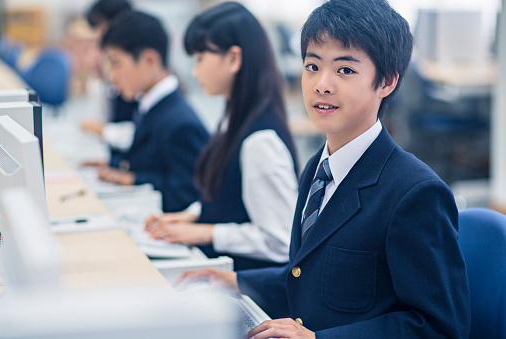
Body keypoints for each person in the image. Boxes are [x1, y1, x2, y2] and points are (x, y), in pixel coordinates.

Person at [174, 0, 471, 338]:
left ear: (387, 81)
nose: (321, 84)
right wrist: (234, 280)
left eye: (345, 70)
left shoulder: (415, 193)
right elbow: (319, 277)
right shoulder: (318, 168)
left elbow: (440, 328)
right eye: (312, 66)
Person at [145, 2, 299, 271]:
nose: (195, 71)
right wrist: (189, 217)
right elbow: (229, 197)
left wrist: (207, 232)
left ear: (233, 59)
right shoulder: (235, 119)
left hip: (249, 290)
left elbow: (280, 239)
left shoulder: (259, 141)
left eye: (200, 58)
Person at [97, 10, 209, 212]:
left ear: (149, 60)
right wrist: (114, 165)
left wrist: (133, 178)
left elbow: (189, 192)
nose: (112, 76)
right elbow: (149, 161)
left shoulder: (181, 122)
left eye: (116, 63)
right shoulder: (150, 104)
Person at [81, 0, 138, 154]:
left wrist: (102, 130)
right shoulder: (110, 76)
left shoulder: (137, 71)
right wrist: (101, 79)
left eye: (99, 28)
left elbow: (142, 136)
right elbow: (103, 118)